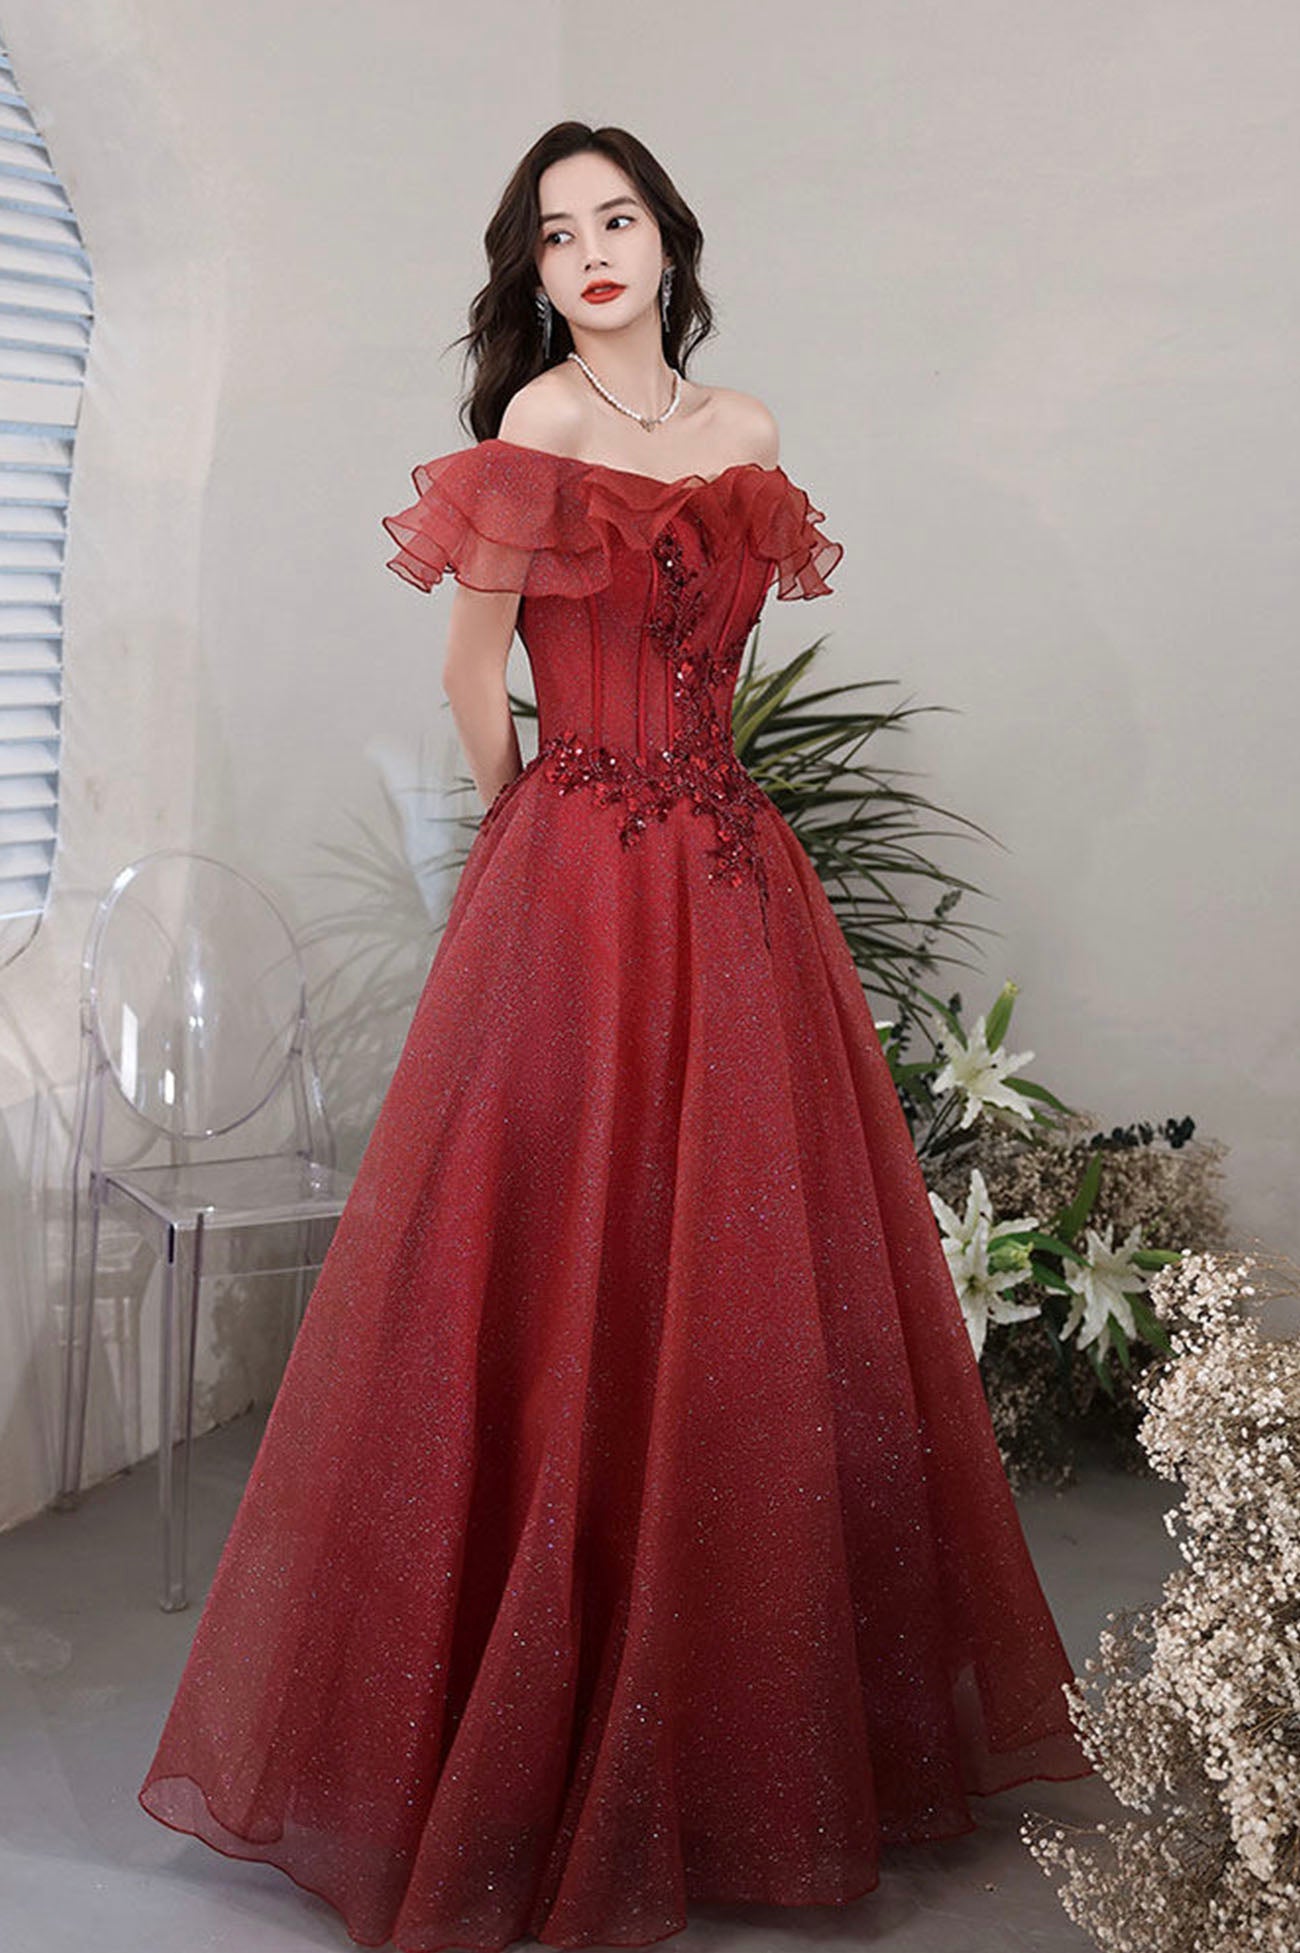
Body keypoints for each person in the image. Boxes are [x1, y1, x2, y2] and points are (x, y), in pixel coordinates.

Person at [138, 120, 1093, 1953]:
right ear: (535, 268)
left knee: (731, 1266)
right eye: (558, 231)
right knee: (564, 1254)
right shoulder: (539, 425)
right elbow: (467, 669)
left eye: (619, 217)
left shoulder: (747, 431)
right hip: (577, 867)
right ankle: (532, 1726)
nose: (591, 250)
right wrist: (543, 827)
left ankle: (738, 1730)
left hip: (732, 884)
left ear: (670, 241)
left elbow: (715, 661)